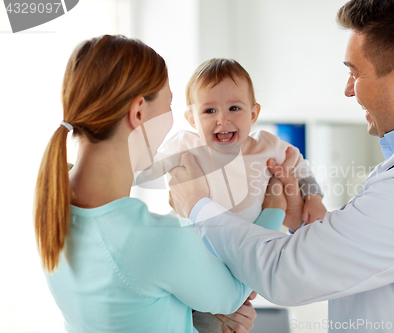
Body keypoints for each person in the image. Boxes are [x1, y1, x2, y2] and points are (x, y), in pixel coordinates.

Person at [168, 0, 394, 332]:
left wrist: (199, 206)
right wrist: (303, 219)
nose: (347, 89)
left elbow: (287, 273)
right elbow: (371, 257)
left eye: (355, 73)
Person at [34, 34, 284, 333]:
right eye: (169, 104)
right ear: (139, 113)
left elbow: (129, 308)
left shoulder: (52, 203)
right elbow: (232, 296)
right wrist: (275, 208)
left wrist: (197, 323)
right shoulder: (156, 237)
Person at [137, 58, 327, 226]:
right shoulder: (186, 145)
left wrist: (314, 198)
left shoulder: (266, 145)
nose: (223, 119)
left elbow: (302, 169)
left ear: (253, 114)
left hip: (253, 241)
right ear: (192, 120)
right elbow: (144, 171)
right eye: (210, 111)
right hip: (196, 242)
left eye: (234, 108)